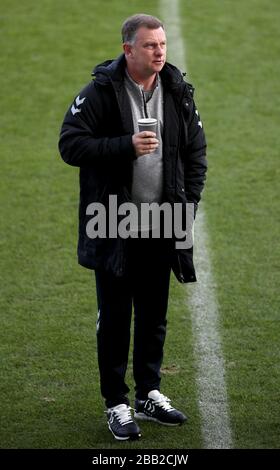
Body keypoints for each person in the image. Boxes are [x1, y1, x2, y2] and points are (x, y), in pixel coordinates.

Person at [58, 14, 207, 441]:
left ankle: (149, 392)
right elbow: (70, 143)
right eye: (150, 46)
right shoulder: (101, 92)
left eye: (162, 45)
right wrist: (124, 146)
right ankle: (116, 402)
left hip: (163, 221)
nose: (160, 51)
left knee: (154, 315)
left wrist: (188, 204)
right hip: (114, 222)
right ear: (128, 50)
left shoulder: (177, 91)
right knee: (116, 315)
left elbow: (196, 151)